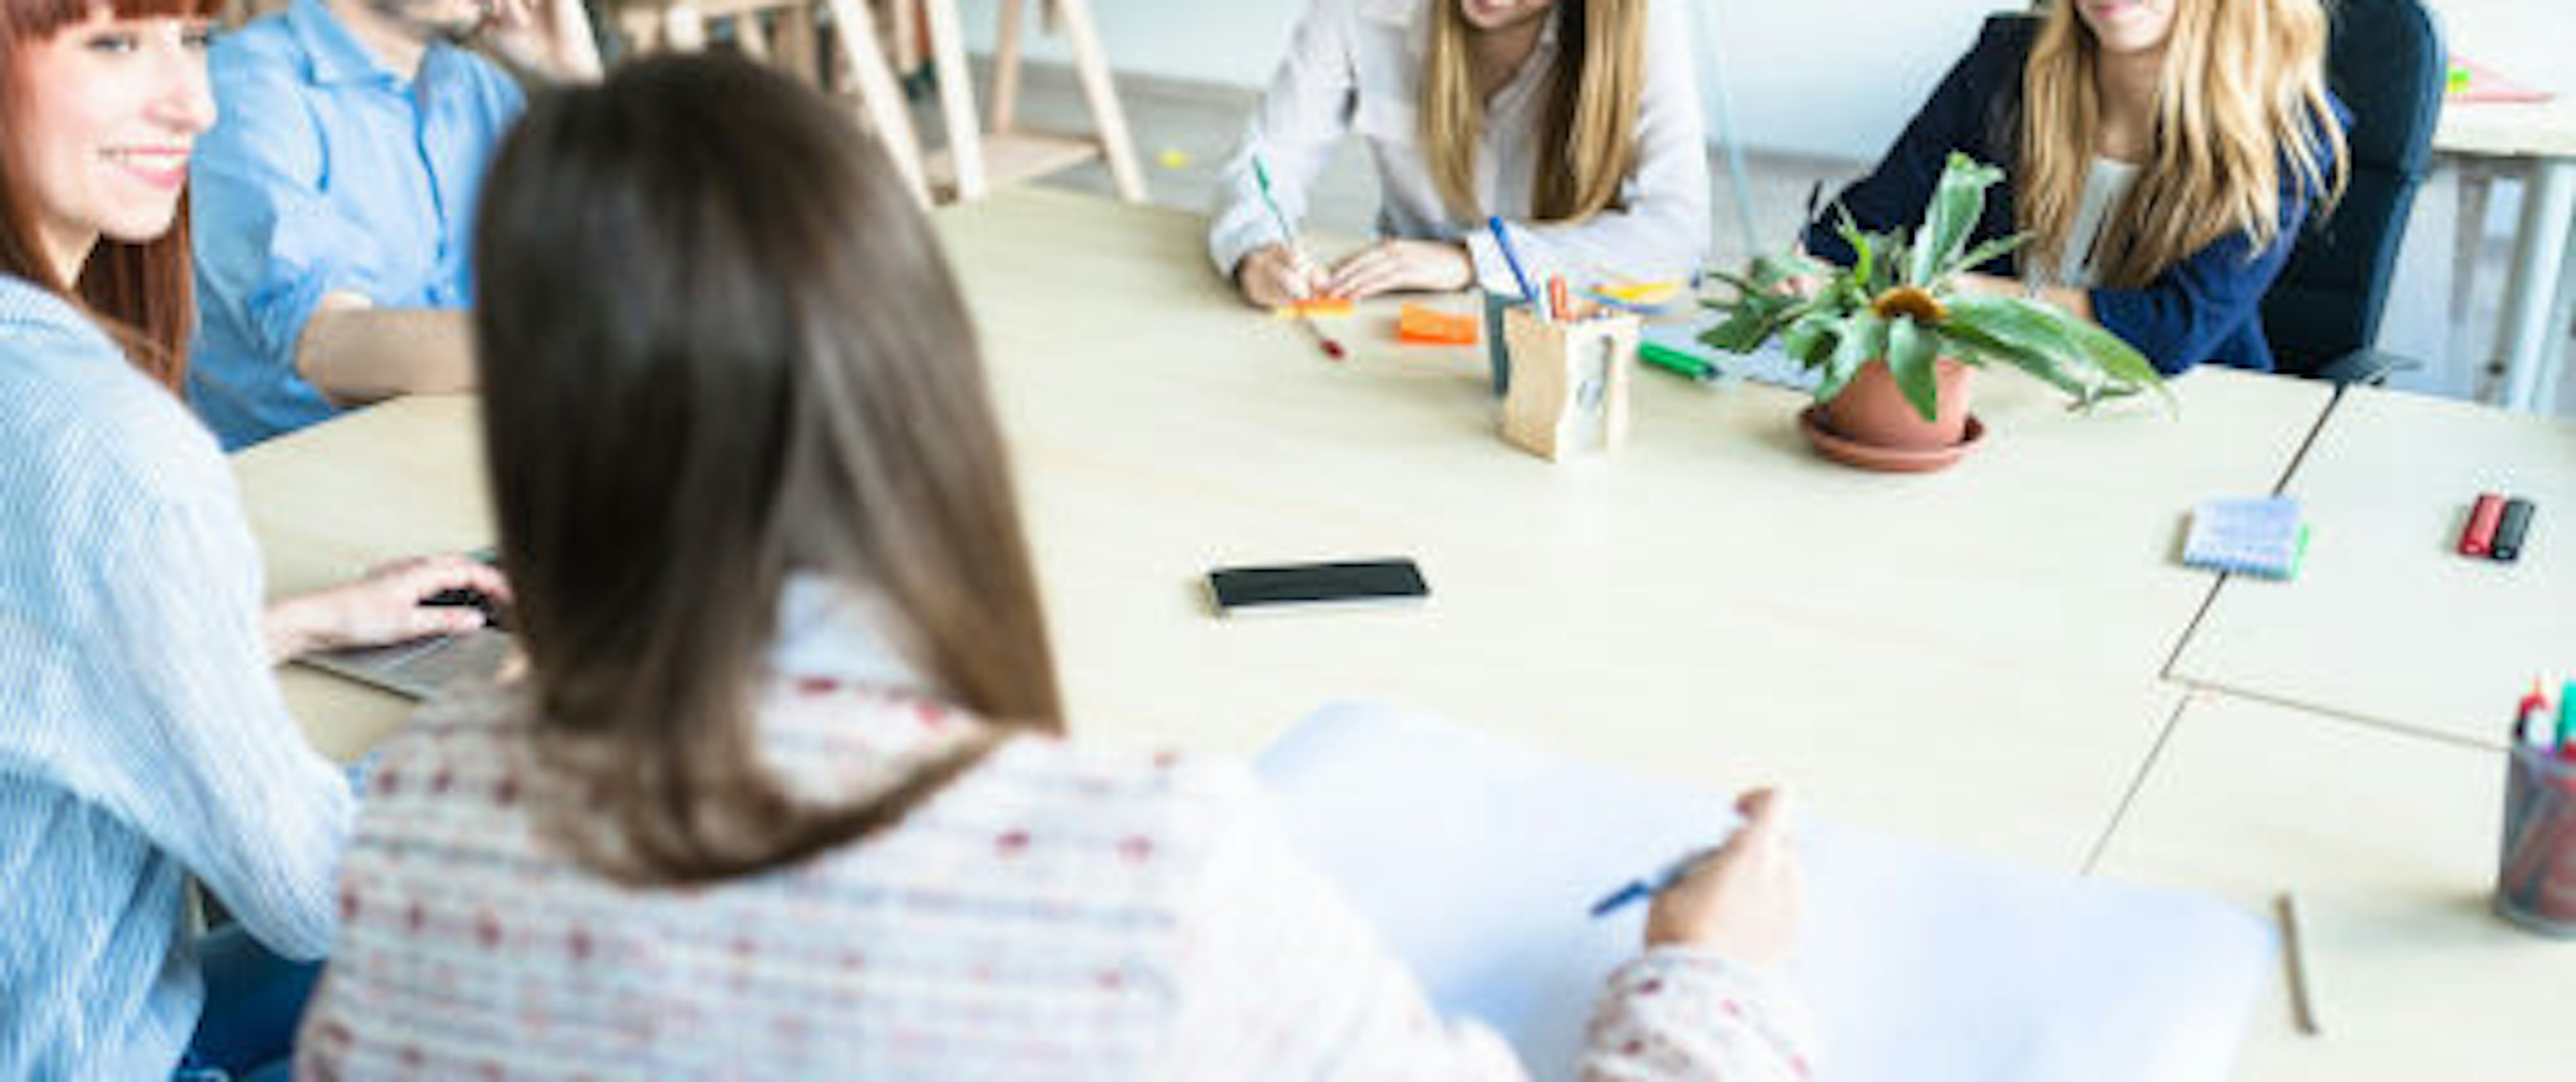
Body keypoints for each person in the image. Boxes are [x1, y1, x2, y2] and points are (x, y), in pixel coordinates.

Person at [298, 56, 1813, 1079]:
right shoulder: (1148, 872)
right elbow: (1255, 172)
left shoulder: (420, 814)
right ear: (925, 368)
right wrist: (1706, 973)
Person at [0, 0, 508, 1074]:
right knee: (540, 950)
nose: (195, 102)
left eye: (193, 41)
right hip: (94, 1047)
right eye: (112, 44)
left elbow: (37, 665)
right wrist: (514, 716)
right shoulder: (124, 457)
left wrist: (275, 626)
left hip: (76, 999)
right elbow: (320, 893)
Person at [1800, 0, 2346, 375]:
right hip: (1997, 394)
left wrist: (1964, 298)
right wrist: (1807, 275)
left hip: (2185, 420)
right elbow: (1859, 228)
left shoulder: (2281, 129)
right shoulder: (2005, 63)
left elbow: (2170, 333)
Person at [184, 0, 599, 448]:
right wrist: (564, 345)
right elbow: (328, 346)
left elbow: (614, 265)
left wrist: (577, 82)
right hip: (302, 482)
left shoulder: (482, 89)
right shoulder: (250, 82)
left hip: (455, 458)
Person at [1210, 0, 1710, 308]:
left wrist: (1473, 262)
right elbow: (1268, 157)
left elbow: (1676, 236)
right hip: (1399, 318)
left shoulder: (1643, 17)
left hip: (1569, 329)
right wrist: (1257, 248)